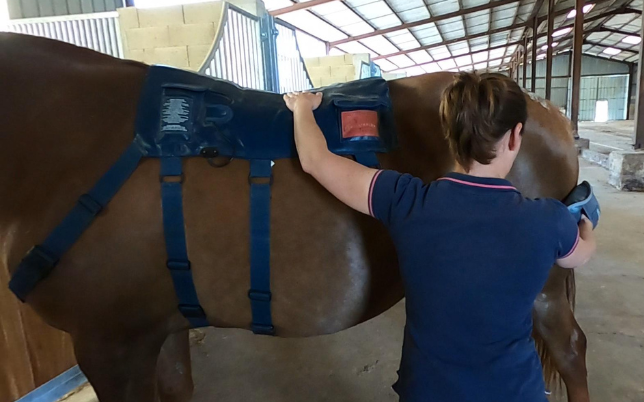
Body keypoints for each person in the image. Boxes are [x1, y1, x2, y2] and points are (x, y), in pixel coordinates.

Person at [283, 72, 596, 402]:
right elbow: (581, 254)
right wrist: (585, 221)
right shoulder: (549, 220)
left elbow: (315, 161)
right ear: (516, 136)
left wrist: (302, 108)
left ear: (450, 134)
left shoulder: (405, 200)